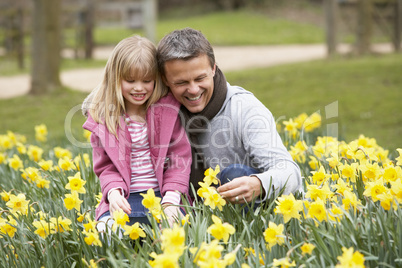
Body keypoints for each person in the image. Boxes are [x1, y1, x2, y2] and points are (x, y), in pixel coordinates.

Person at [156, 28, 302, 206]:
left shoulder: (244, 108)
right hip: (197, 216)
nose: (193, 90)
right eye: (181, 82)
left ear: (213, 68)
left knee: (234, 175)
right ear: (165, 80)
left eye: (200, 78)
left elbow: (290, 172)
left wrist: (258, 184)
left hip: (256, 216)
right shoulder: (163, 114)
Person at [81, 35, 191, 229]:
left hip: (164, 197)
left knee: (176, 232)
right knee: (106, 232)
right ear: (115, 78)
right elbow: (105, 167)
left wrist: (172, 198)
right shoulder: (105, 117)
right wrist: (113, 193)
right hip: (123, 198)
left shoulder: (168, 111)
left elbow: (179, 158)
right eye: (130, 80)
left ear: (157, 79)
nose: (139, 88)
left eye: (147, 80)